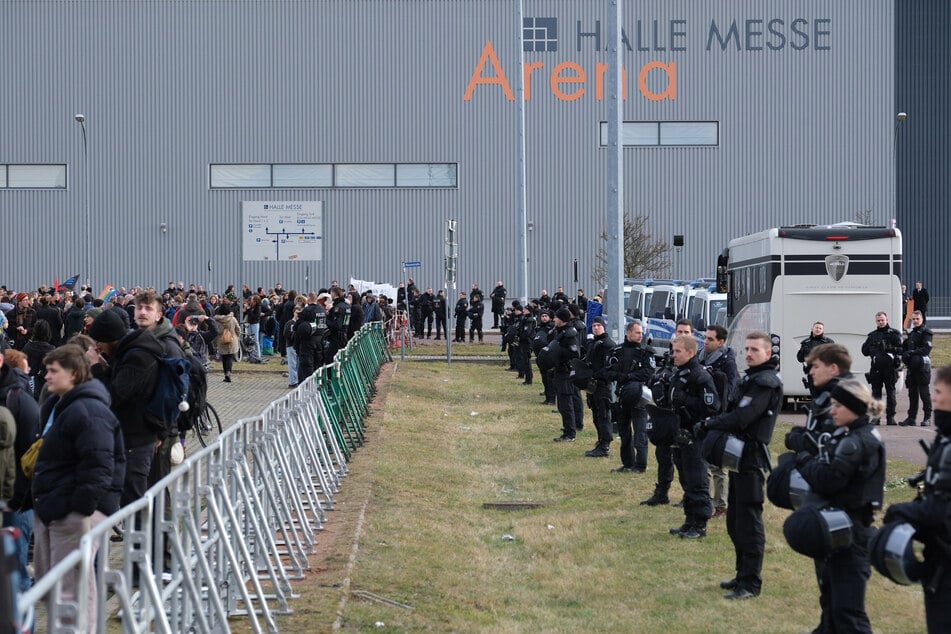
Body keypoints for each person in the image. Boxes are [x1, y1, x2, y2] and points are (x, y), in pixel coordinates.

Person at [32, 344, 125, 632]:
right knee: (53, 584)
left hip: (72, 511)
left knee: (71, 587)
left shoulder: (88, 410)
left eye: (53, 371)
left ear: (72, 374)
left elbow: (99, 465)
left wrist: (80, 510)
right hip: (55, 506)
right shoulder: (60, 405)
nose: (46, 376)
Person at [793, 378, 886, 633]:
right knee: (832, 606)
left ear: (853, 407)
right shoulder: (854, 435)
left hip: (853, 534)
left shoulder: (858, 441)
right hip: (842, 529)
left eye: (837, 405)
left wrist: (804, 461)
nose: (832, 411)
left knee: (848, 615)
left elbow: (828, 480)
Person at [696, 331, 782, 599]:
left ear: (768, 353)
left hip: (752, 458)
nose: (748, 353)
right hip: (738, 455)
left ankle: (751, 583)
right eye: (746, 349)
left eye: (755, 350)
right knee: (735, 520)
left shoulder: (766, 383)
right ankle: (740, 574)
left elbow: (742, 417)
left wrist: (711, 424)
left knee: (749, 521)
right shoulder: (752, 378)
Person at [881, 364, 951, 633]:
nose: (933, 398)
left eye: (938, 392)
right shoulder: (944, 442)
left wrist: (903, 513)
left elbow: (941, 510)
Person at [666, 333, 720, 538]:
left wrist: (687, 400)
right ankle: (689, 520)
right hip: (680, 434)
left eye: (678, 351)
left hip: (696, 435)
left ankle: (700, 525)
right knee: (686, 480)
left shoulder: (700, 375)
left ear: (690, 352)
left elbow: (712, 407)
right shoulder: (679, 373)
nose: (674, 355)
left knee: (697, 480)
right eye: (673, 351)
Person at [641, 320, 696, 507]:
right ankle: (661, 493)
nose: (682, 334)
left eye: (686, 332)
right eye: (679, 331)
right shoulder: (670, 355)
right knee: (663, 455)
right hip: (664, 413)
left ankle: (688, 495)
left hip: (683, 416)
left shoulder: (695, 358)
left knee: (683, 459)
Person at [0, 348, 41, 595]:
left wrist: (17, 500)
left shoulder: (19, 400)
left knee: (15, 576)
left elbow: (29, 457)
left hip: (13, 503)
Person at [699, 324, 739, 519]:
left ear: (721, 342)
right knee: (703, 462)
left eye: (710, 339)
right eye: (705, 338)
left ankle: (722, 506)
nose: (705, 341)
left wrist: (718, 414)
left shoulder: (727, 362)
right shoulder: (701, 357)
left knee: (718, 464)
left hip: (719, 417)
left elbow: (730, 392)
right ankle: (704, 501)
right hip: (703, 416)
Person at [603, 321, 653, 466]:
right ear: (628, 333)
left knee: (640, 432)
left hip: (639, 396)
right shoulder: (616, 351)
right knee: (624, 433)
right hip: (622, 396)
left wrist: (630, 377)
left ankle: (641, 464)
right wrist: (619, 376)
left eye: (641, 333)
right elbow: (607, 371)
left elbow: (648, 372)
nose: (640, 335)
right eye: (637, 333)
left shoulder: (645, 351)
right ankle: (627, 463)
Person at [861, 311, 901, 427]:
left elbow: (901, 349)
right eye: (878, 320)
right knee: (876, 393)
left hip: (890, 368)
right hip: (876, 369)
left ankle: (891, 417)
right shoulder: (872, 335)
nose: (881, 322)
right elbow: (864, 351)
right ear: (876, 321)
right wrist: (871, 349)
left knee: (891, 392)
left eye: (882, 320)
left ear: (886, 320)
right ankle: (876, 417)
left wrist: (889, 348)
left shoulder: (894, 334)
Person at [548, 307, 581, 442]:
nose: (554, 319)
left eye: (556, 317)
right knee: (562, 403)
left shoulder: (569, 334)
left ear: (561, 319)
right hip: (559, 371)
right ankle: (567, 428)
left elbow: (575, 354)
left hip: (566, 373)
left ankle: (570, 433)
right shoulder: (561, 331)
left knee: (566, 403)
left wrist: (560, 352)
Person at [900, 310, 933, 426]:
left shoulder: (926, 333)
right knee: (912, 393)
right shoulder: (912, 333)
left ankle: (927, 417)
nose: (915, 321)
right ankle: (911, 417)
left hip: (922, 367)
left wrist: (912, 352)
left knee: (924, 393)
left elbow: (926, 349)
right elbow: (906, 349)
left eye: (917, 319)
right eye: (913, 319)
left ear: (922, 319)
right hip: (912, 368)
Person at [797, 322, 833, 390]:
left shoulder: (828, 342)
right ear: (812, 329)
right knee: (814, 396)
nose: (818, 329)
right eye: (816, 327)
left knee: (825, 395)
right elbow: (800, 359)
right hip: (812, 373)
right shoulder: (806, 342)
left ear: (823, 331)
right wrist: (803, 351)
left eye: (820, 328)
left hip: (825, 373)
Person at [214, 302, 241, 382]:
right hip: (232, 340)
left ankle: (226, 374)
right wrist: (237, 336)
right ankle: (228, 373)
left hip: (221, 340)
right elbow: (238, 329)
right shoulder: (233, 319)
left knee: (224, 357)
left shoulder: (217, 320)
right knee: (230, 357)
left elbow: (216, 331)